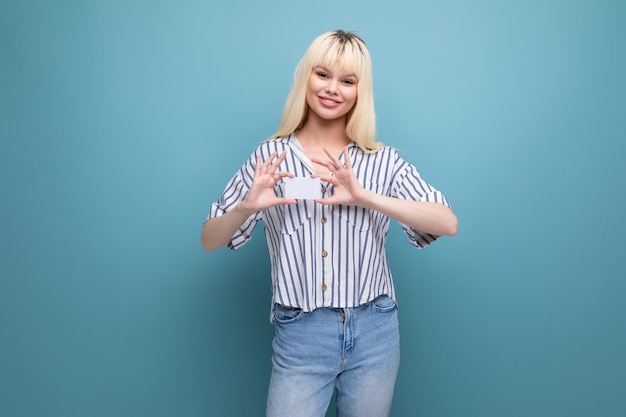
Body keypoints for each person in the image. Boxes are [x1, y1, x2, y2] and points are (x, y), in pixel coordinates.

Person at [201, 29, 457, 417]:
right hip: (300, 334)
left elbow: (446, 222)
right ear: (307, 77)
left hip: (375, 330)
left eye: (348, 81)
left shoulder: (379, 161)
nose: (332, 89)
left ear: (360, 91)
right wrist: (245, 207)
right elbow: (209, 239)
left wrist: (364, 197)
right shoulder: (271, 156)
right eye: (323, 75)